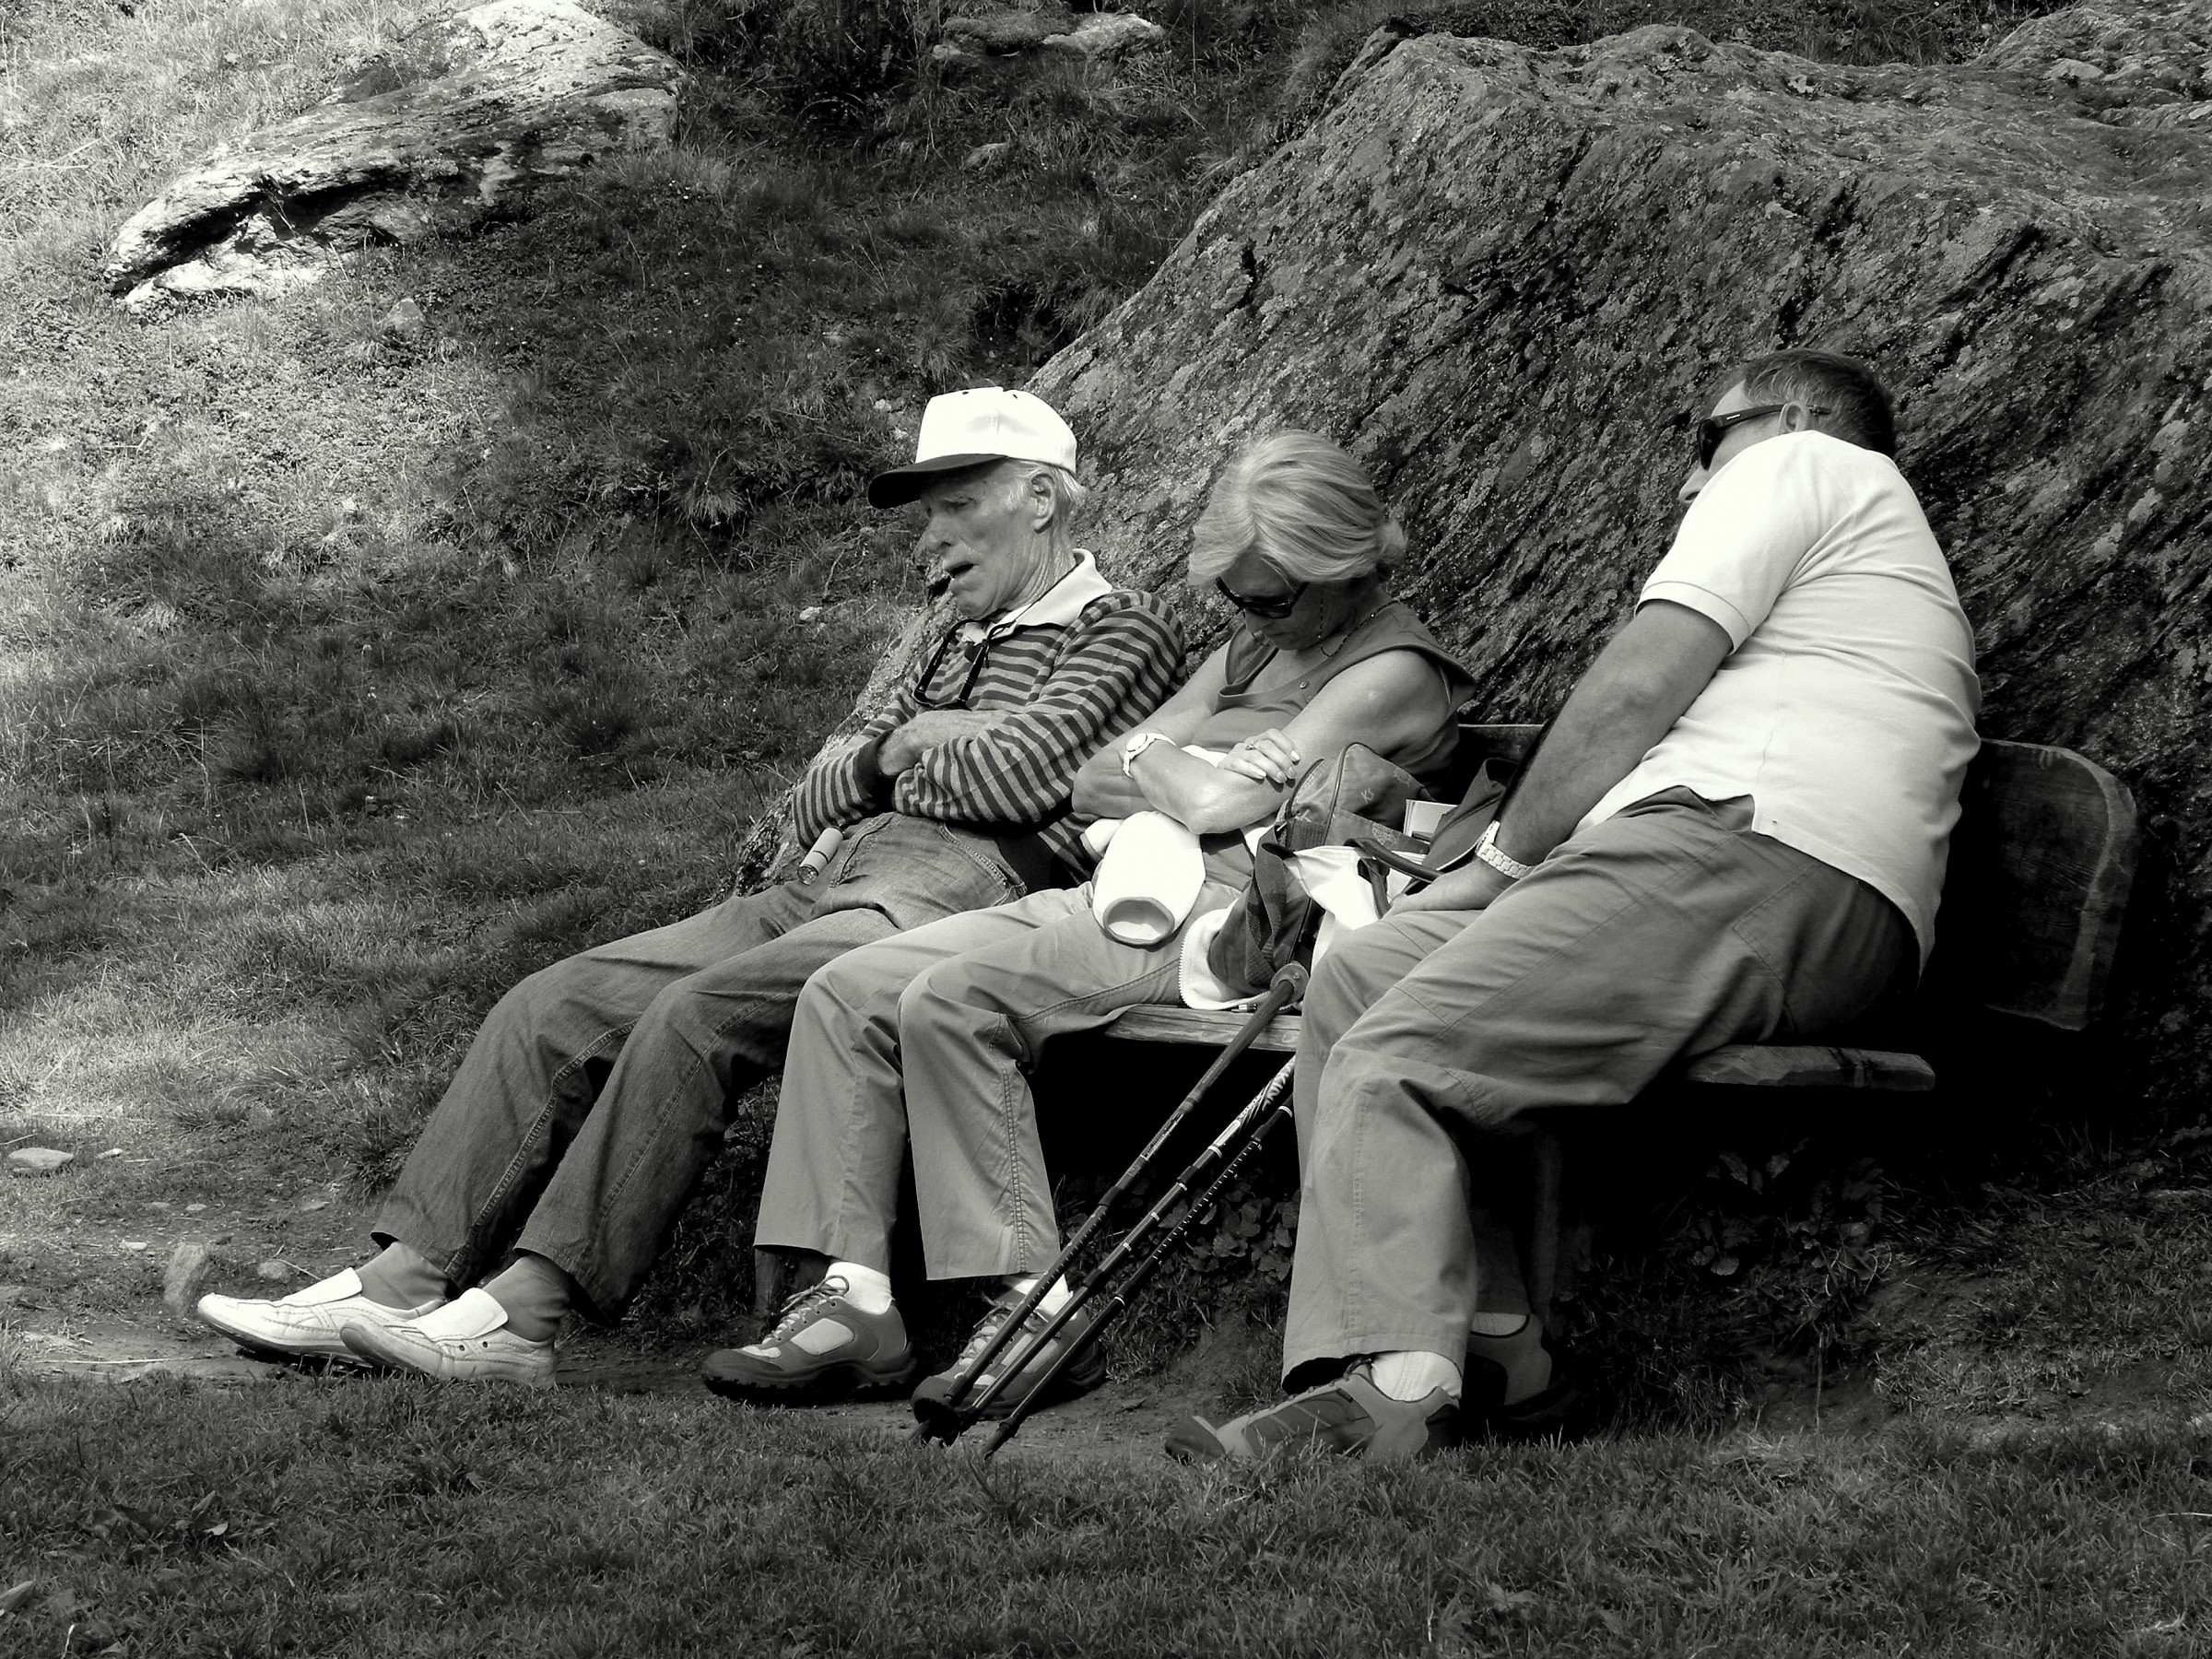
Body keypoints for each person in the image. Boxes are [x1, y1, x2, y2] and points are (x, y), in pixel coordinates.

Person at [194, 387, 1186, 1386]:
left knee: (697, 1014)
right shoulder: (942, 634)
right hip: (827, 877)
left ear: (1041, 501)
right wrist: (910, 745)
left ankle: (523, 1317)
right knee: (558, 1002)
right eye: (925, 514)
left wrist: (893, 758)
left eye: (957, 507)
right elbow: (817, 792)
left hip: (947, 900)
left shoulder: (1122, 628)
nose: (932, 538)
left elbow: (1017, 781)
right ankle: (399, 1280)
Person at [1164, 350, 1982, 1464]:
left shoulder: (1805, 463)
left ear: (1787, 418)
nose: (1689, 483)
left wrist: (1501, 863)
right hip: (1715, 859)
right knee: (1364, 976)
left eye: (1706, 440)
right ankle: (1498, 1346)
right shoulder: (1844, 556)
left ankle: (1392, 1396)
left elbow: (1636, 687)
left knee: (1396, 1049)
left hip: (1755, 855)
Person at [704, 429, 1477, 1413]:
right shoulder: (1252, 647)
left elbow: (1208, 810)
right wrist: (1178, 765)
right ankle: (854, 1299)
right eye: (1230, 595)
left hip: (1220, 916)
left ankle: (1036, 1313)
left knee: (952, 999)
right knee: (848, 987)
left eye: (1269, 595)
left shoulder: (1393, 670)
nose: (1243, 615)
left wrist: (1165, 765)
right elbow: (1091, 779)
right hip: (1132, 885)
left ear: (1346, 568)